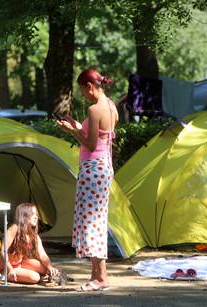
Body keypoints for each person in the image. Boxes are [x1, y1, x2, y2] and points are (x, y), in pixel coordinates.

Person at [55, 67, 118, 291]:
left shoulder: (94, 109)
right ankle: (96, 275)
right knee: (96, 220)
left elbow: (90, 145)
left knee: (92, 223)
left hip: (93, 168)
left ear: (90, 87)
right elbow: (100, 138)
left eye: (83, 91)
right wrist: (78, 127)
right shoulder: (111, 106)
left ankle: (101, 277)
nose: (83, 96)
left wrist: (70, 130)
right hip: (105, 167)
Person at [0, 202, 59, 284]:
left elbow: (42, 254)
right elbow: (3, 251)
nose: (36, 217)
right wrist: (10, 270)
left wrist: (50, 267)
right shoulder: (14, 228)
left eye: (37, 214)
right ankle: (11, 275)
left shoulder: (33, 234)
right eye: (33, 214)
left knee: (46, 270)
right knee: (35, 278)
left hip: (22, 263)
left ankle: (43, 276)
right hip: (7, 267)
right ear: (24, 216)